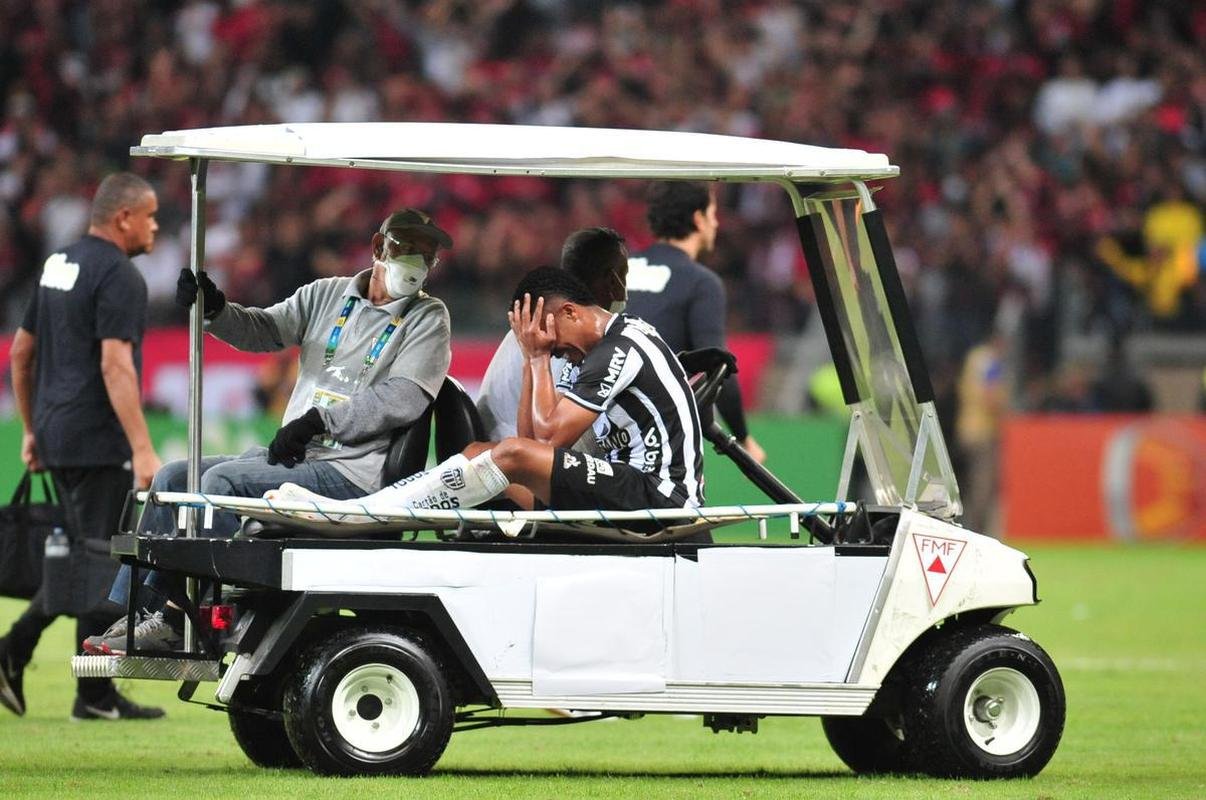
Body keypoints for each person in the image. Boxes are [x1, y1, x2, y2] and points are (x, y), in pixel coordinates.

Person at [86, 208, 453, 655]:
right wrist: (217, 310)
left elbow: (403, 397)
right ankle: (138, 615)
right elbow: (264, 330)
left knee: (218, 484)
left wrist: (321, 420)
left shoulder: (428, 318)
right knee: (172, 479)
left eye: (427, 257)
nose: (416, 264)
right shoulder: (326, 294)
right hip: (300, 458)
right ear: (379, 248)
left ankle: (182, 619)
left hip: (352, 474)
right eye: (408, 250)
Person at [275, 267, 704, 523]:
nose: (561, 358)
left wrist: (538, 359)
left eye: (555, 345)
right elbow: (534, 444)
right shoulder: (597, 350)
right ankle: (376, 509)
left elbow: (548, 442)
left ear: (570, 312)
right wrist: (531, 356)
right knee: (485, 453)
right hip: (626, 483)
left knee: (510, 455)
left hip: (661, 495)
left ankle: (366, 514)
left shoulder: (618, 350)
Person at [0, 173, 165, 720]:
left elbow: (22, 353)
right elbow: (115, 363)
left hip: (57, 430)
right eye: (150, 215)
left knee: (86, 554)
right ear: (123, 219)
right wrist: (143, 448)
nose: (155, 226)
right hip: (98, 439)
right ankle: (10, 651)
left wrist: (31, 427)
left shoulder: (57, 263)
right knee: (95, 562)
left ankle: (93, 694)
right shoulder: (120, 275)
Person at [625, 181, 765, 463]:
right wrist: (744, 437)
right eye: (712, 214)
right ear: (698, 219)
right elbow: (717, 366)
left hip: (599, 421)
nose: (715, 223)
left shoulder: (620, 268)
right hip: (654, 435)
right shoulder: (701, 283)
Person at [476, 226, 629, 443]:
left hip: (513, 447)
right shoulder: (564, 339)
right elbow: (547, 439)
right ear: (614, 281)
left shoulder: (551, 326)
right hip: (509, 446)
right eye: (624, 275)